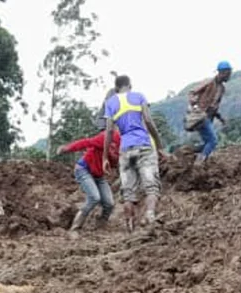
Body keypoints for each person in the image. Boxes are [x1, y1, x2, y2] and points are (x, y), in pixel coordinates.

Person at [102, 75, 166, 230]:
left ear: (116, 88)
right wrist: (159, 146)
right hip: (144, 146)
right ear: (130, 85)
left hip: (125, 150)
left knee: (128, 193)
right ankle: (150, 216)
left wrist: (105, 157)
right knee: (151, 187)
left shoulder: (110, 103)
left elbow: (109, 131)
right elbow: (149, 121)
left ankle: (130, 227)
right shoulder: (139, 97)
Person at [57, 124, 120, 234]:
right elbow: (86, 142)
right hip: (84, 169)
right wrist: (67, 148)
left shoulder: (127, 145)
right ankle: (74, 229)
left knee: (109, 203)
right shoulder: (108, 137)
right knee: (94, 197)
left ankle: (101, 226)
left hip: (98, 175)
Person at [185, 61, 232, 162]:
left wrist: (220, 118)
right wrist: (195, 105)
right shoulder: (209, 82)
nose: (229, 76)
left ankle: (188, 152)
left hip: (209, 117)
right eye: (228, 73)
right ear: (222, 72)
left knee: (209, 142)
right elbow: (192, 92)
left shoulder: (222, 88)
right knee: (213, 141)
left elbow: (214, 106)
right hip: (201, 116)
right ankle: (199, 162)